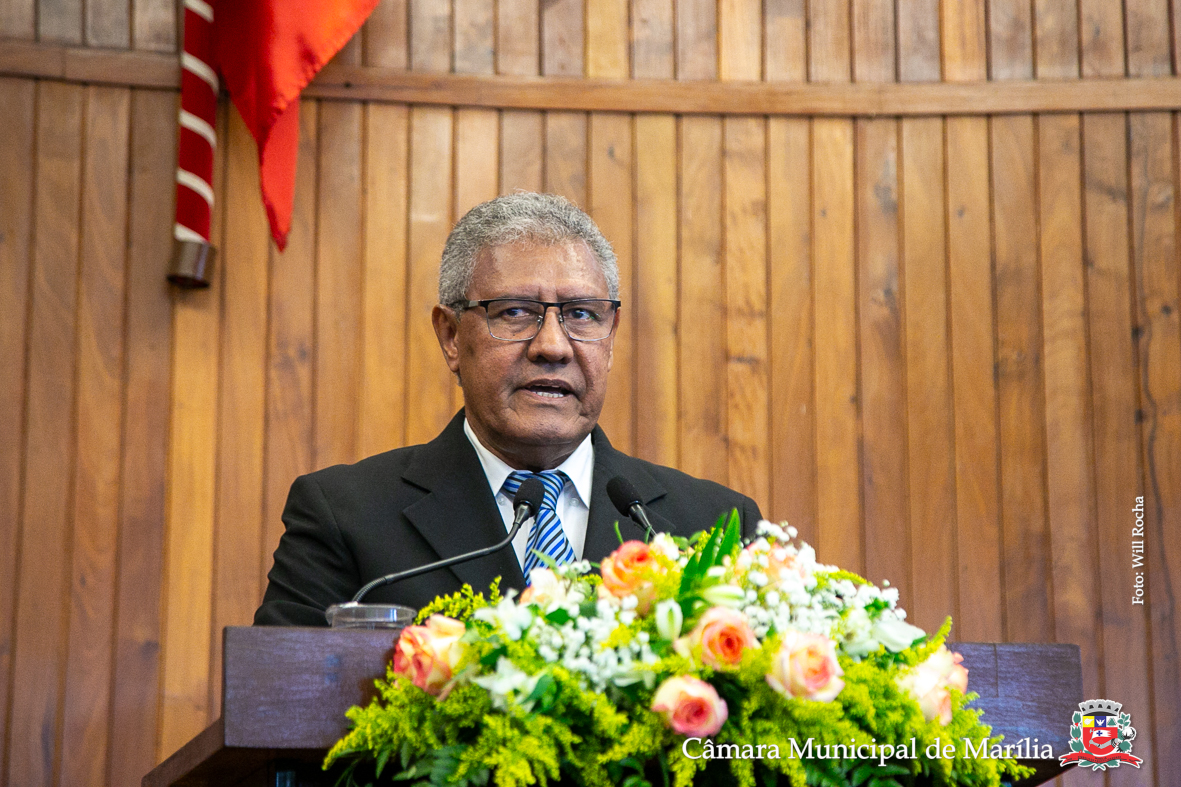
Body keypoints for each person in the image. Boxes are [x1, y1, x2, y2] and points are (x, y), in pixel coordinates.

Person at [254, 193, 762, 626]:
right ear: (451, 336)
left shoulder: (714, 527)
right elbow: (279, 700)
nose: (553, 347)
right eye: (515, 312)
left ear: (610, 338)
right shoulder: (345, 516)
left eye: (582, 314)